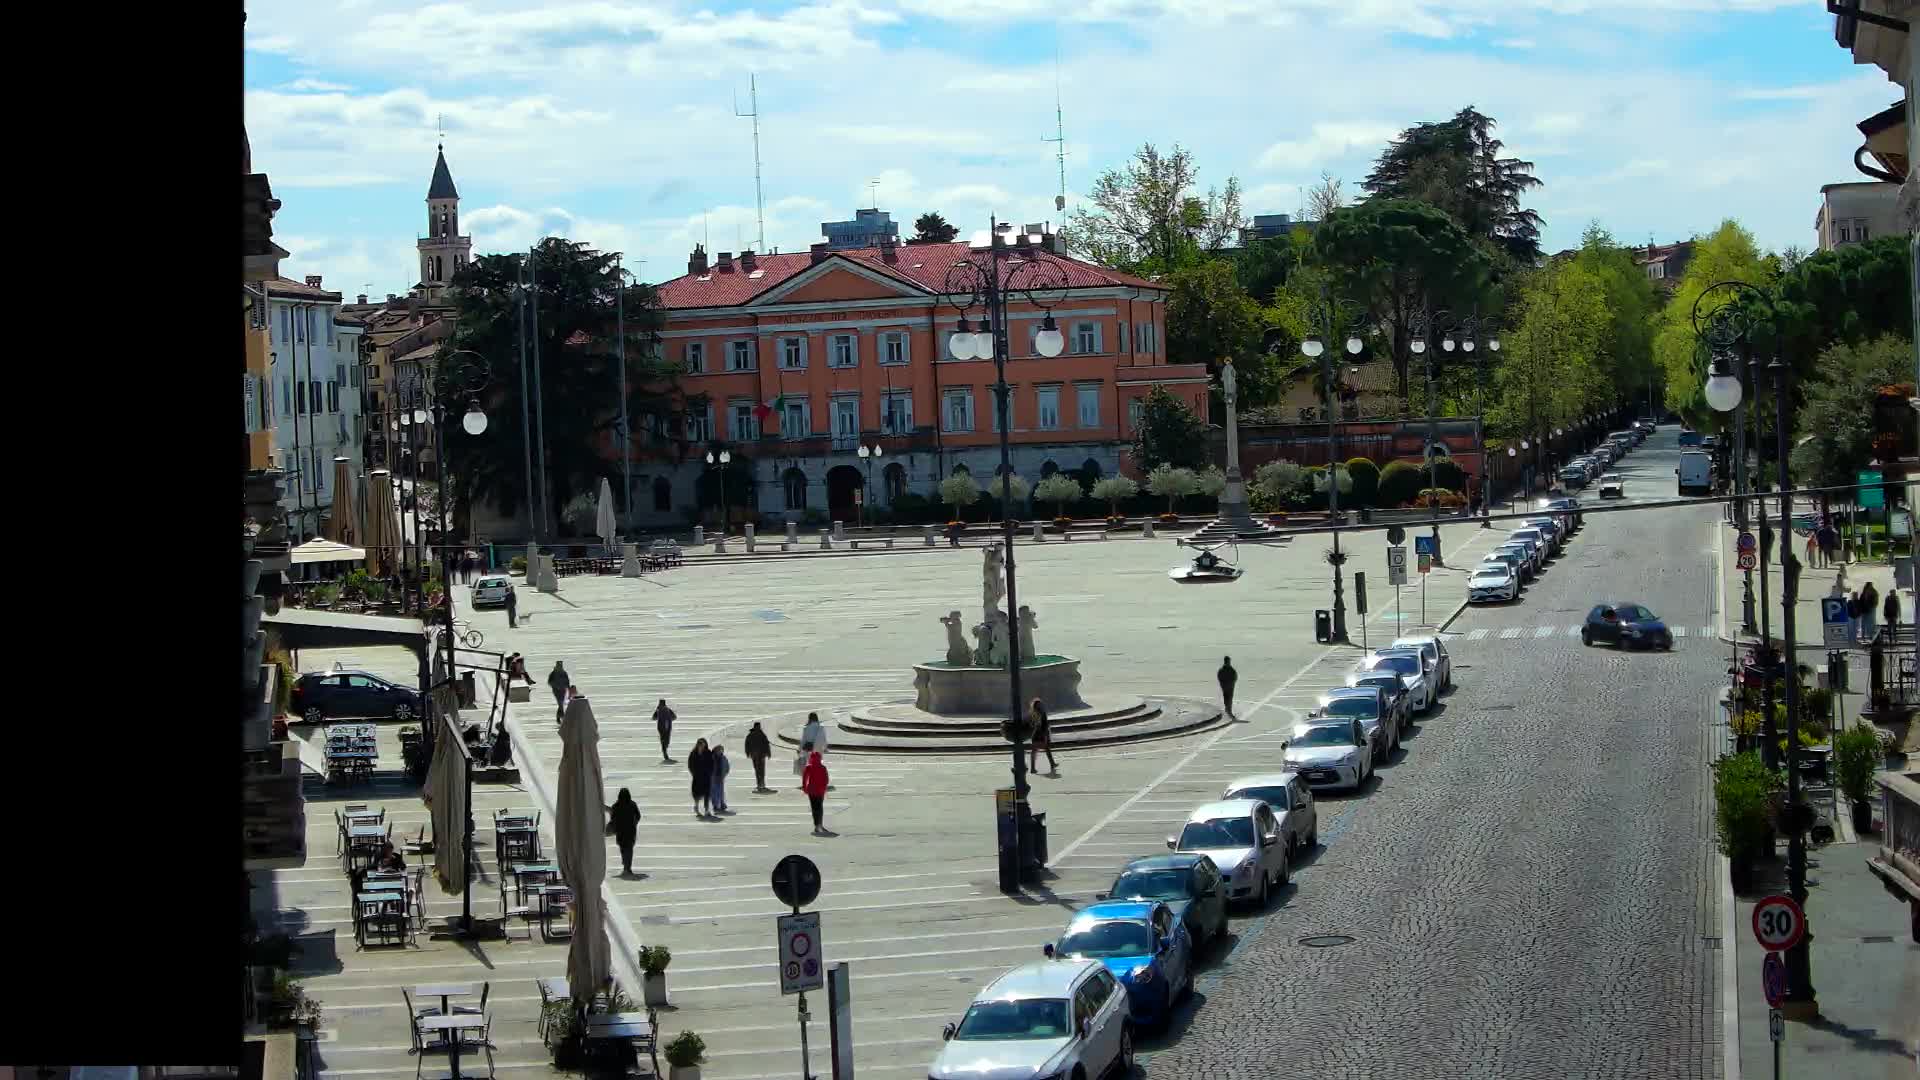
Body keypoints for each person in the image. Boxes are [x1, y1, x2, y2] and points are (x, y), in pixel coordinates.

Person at [606, 789, 642, 876]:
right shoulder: (632, 804)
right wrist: (634, 823)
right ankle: (628, 867)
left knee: (623, 848)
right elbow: (638, 815)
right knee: (629, 848)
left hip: (620, 831)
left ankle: (625, 864)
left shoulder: (616, 805)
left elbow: (613, 818)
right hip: (630, 830)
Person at [801, 751, 830, 835]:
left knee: (814, 808)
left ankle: (817, 826)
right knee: (820, 808)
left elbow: (805, 779)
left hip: (811, 790)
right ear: (820, 759)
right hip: (820, 791)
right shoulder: (823, 768)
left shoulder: (809, 767)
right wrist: (824, 788)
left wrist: (805, 788)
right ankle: (820, 825)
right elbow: (826, 780)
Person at [1028, 698, 1058, 776]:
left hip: (1035, 734)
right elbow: (1044, 725)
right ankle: (1052, 764)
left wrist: (1036, 726)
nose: (1041, 705)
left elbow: (1031, 724)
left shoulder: (1033, 713)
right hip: (1041, 733)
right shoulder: (1042, 713)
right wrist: (1045, 735)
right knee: (1046, 748)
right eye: (1040, 704)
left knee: (1035, 751)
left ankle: (1033, 768)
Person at [744, 722, 773, 793]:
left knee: (760, 771)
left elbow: (766, 744)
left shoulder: (758, 734)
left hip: (760, 755)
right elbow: (747, 745)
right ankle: (760, 786)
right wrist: (748, 753)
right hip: (757, 756)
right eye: (758, 726)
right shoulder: (758, 734)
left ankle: (761, 785)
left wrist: (768, 753)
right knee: (759, 770)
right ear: (756, 727)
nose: (759, 728)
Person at [688, 738, 714, 817]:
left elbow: (712, 763)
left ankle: (706, 810)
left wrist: (710, 773)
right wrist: (694, 773)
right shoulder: (693, 753)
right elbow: (690, 765)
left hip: (706, 777)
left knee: (707, 793)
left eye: (703, 744)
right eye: (700, 744)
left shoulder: (708, 752)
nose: (702, 746)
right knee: (697, 794)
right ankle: (696, 807)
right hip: (697, 777)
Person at [653, 699, 677, 764]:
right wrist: (669, 720)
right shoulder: (668, 710)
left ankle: (664, 750)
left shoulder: (659, 710)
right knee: (666, 740)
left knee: (663, 740)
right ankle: (665, 750)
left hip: (661, 728)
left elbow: (654, 717)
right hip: (667, 727)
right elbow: (674, 717)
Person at [710, 744, 732, 813]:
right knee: (714, 792)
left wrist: (725, 774)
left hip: (721, 777)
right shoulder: (711, 758)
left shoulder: (723, 758)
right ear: (716, 750)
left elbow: (727, 767)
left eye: (722, 750)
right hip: (713, 777)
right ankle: (716, 805)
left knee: (721, 792)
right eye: (719, 750)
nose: (720, 751)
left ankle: (722, 804)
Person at [1217, 656, 1238, 720]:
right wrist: (1232, 683)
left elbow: (1219, 677)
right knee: (1228, 698)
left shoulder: (1222, 669)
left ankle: (1228, 710)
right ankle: (1229, 711)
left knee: (1227, 698)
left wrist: (1222, 684)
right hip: (1229, 686)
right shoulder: (1230, 669)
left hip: (1226, 686)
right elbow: (1235, 677)